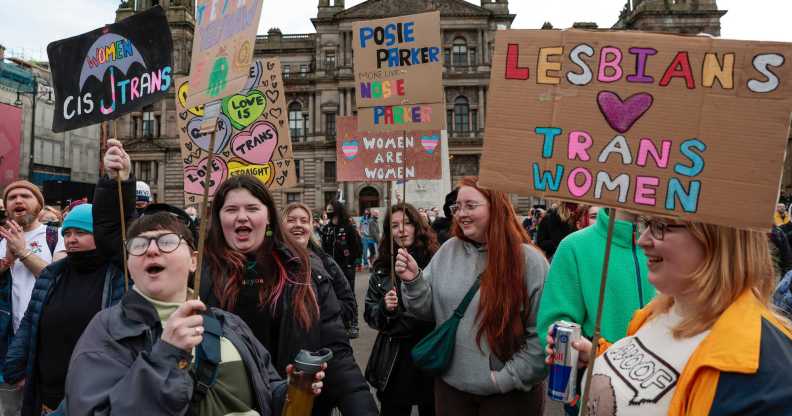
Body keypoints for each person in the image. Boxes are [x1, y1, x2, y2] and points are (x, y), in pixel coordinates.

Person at [63, 209, 326, 415]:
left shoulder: (229, 324)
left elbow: (265, 393)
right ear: (129, 263)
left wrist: (292, 389)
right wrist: (167, 357)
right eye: (139, 245)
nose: (152, 250)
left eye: (166, 241)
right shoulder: (108, 330)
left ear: (194, 260)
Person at [546, 217, 792, 415]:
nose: (642, 240)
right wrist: (598, 355)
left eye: (660, 226)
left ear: (715, 238)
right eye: (647, 224)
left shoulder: (762, 369)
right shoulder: (658, 311)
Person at [201, 176, 377, 416]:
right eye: (231, 209)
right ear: (218, 218)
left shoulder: (304, 270)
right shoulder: (198, 276)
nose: (242, 216)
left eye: (252, 208)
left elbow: (337, 353)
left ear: (269, 216)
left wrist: (362, 409)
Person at [395, 177, 548, 415]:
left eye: (470, 206)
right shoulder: (448, 251)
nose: (461, 214)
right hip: (451, 392)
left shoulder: (530, 261)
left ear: (495, 207)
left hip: (509, 398)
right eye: (457, 207)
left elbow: (541, 335)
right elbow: (425, 311)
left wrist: (504, 379)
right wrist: (413, 281)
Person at [2, 203, 128, 415]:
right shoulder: (51, 275)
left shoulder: (119, 277)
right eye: (67, 233)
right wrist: (16, 370)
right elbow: (30, 323)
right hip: (45, 396)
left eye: (81, 232)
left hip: (94, 397)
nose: (71, 239)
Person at [536, 208, 654, 415]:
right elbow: (555, 326)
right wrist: (581, 355)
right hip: (595, 392)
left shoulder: (676, 246)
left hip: (665, 393)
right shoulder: (574, 246)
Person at [365, 203, 438, 416]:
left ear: (417, 226)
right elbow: (370, 315)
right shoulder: (382, 267)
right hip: (395, 357)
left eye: (407, 223)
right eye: (395, 225)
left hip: (430, 352)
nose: (402, 230)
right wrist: (384, 308)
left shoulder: (435, 260)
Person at [0, 180, 66, 414]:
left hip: (44, 337)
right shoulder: (1, 239)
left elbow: (57, 278)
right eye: (12, 197)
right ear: (6, 207)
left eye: (25, 196)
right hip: (8, 341)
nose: (18, 200)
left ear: (39, 204)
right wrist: (8, 259)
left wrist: (23, 252)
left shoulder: (55, 236)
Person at [282, 202, 358, 339]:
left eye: (304, 221)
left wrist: (323, 309)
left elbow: (349, 305)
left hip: (325, 345)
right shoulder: (269, 263)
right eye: (291, 220)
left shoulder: (325, 262)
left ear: (310, 226)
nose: (298, 224)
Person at [321, 200, 363, 336]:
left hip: (346, 267)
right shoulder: (326, 229)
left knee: (349, 294)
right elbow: (323, 248)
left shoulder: (348, 228)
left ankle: (353, 323)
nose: (328, 211)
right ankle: (341, 323)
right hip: (330, 268)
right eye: (327, 209)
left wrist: (355, 262)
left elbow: (357, 246)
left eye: (330, 209)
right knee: (332, 294)